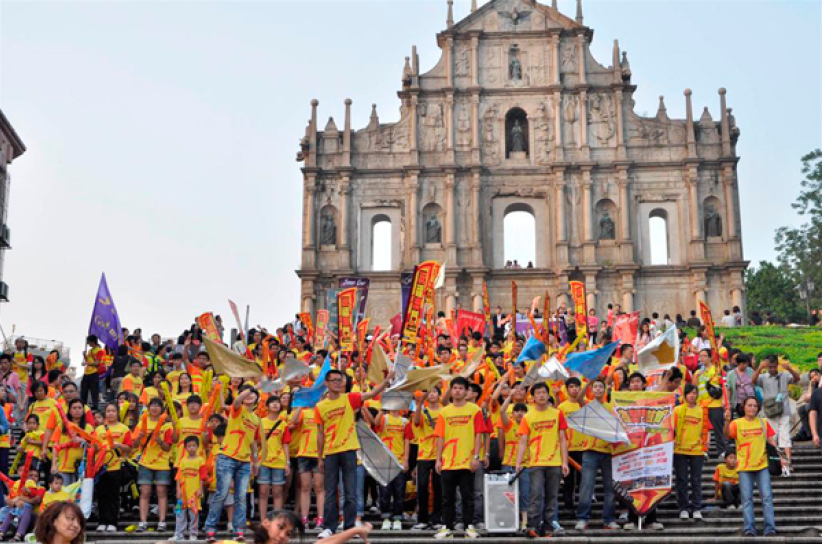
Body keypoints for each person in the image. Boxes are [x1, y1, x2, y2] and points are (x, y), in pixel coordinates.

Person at [315, 368, 391, 539]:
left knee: (350, 493)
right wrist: (320, 457)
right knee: (330, 492)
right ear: (326, 383)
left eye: (339, 380)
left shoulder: (350, 398)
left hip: (349, 450)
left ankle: (349, 527)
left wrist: (385, 383)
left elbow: (370, 394)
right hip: (330, 452)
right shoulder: (320, 407)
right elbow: (320, 433)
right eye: (333, 380)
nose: (336, 383)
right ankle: (329, 527)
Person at [204, 385, 261, 543]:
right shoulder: (237, 409)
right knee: (221, 494)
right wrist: (253, 387)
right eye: (246, 392)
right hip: (227, 457)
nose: (250, 395)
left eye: (253, 394)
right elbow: (237, 401)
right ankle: (210, 528)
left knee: (241, 497)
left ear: (257, 398)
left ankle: (239, 530)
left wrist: (255, 461)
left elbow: (254, 442)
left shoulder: (256, 419)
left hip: (244, 461)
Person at [434, 377, 484, 540]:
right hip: (448, 462)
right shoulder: (444, 412)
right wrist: (438, 459)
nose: (457, 391)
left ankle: (469, 526)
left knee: (467, 496)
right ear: (451, 390)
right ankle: (447, 527)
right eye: (454, 388)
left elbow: (478, 434)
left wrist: (476, 456)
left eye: (461, 388)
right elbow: (440, 437)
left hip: (467, 461)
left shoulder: (474, 410)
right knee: (447, 497)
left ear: (466, 391)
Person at [516, 382, 569, 538]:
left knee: (552, 496)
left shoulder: (557, 414)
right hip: (536, 462)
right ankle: (532, 526)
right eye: (537, 393)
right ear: (533, 397)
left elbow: (563, 439)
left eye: (543, 392)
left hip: (554, 462)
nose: (541, 395)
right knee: (536, 495)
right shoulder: (528, 417)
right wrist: (518, 462)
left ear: (548, 395)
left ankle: (547, 527)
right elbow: (523, 441)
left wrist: (564, 462)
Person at [724, 396, 777, 537]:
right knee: (746, 499)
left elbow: (771, 441)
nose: (752, 408)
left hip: (762, 465)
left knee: (767, 498)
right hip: (745, 467)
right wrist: (727, 421)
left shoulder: (763, 422)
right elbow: (727, 434)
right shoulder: (737, 423)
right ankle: (749, 528)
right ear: (744, 407)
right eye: (749, 405)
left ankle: (770, 528)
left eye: (755, 405)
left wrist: (780, 458)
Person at [575, 379, 618, 531]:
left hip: (608, 452)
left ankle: (609, 519)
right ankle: (582, 518)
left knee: (609, 488)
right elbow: (579, 398)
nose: (598, 389)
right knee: (586, 486)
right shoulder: (588, 405)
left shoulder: (611, 408)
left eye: (601, 387)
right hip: (590, 451)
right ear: (592, 390)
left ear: (605, 390)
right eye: (596, 387)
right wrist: (588, 382)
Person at [133, 397, 174, 532]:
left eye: (158, 405)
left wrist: (160, 441)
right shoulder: (141, 423)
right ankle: (143, 521)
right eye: (152, 405)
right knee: (145, 492)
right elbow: (134, 445)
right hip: (145, 462)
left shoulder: (167, 426)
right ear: (148, 408)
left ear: (162, 409)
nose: (155, 408)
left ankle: (162, 521)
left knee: (161, 492)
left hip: (162, 463)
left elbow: (168, 447)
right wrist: (139, 437)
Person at [752, 355, 800, 472]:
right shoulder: (763, 377)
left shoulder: (784, 375)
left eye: (774, 367)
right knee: (772, 438)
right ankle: (776, 461)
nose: (772, 369)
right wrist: (759, 368)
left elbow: (797, 378)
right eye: (770, 367)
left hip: (783, 410)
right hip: (770, 412)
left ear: (777, 365)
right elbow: (752, 381)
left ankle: (788, 462)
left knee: (785, 437)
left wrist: (789, 369)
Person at [93, 401, 133, 532]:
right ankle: (102, 521)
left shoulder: (124, 429)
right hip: (100, 467)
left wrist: (119, 445)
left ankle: (112, 522)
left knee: (113, 496)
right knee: (101, 495)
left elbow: (129, 448)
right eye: (108, 411)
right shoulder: (98, 429)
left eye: (113, 411)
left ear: (117, 413)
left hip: (115, 467)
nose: (110, 413)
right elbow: (93, 447)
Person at [673, 384, 710, 520]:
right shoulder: (677, 410)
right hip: (679, 449)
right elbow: (671, 429)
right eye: (690, 393)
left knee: (696, 480)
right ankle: (683, 507)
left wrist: (705, 448)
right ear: (685, 394)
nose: (692, 395)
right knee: (681, 480)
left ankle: (696, 507)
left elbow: (706, 430)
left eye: (695, 393)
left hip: (697, 450)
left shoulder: (702, 411)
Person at [375, 408, 412, 530]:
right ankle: (385, 517)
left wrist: (406, 460)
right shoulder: (384, 418)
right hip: (384, 461)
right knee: (384, 492)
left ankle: (397, 518)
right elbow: (375, 424)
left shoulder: (405, 421)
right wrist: (382, 409)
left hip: (399, 461)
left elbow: (407, 441)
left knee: (399, 492)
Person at [258, 395, 291, 520]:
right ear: (266, 407)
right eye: (272, 403)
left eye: (277, 402)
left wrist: (287, 463)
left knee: (278, 493)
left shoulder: (283, 424)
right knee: (263, 492)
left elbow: (285, 444)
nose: (275, 404)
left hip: (279, 461)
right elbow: (255, 443)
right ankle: (263, 520)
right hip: (263, 461)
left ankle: (277, 520)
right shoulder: (260, 422)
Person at [175, 436, 207, 542]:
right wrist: (178, 490)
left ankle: (193, 533)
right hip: (182, 492)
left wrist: (200, 489)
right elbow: (178, 477)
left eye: (194, 446)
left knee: (194, 513)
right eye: (189, 446)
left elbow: (203, 476)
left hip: (194, 492)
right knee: (179, 512)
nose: (192, 448)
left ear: (197, 447)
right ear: (185, 448)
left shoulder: (200, 460)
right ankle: (179, 534)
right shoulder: (182, 461)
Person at [81, 335, 104, 411]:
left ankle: (95, 406)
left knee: (94, 390)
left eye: (88, 342)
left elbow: (97, 363)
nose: (88, 343)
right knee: (84, 390)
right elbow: (88, 359)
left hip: (94, 373)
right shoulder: (90, 350)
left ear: (92, 341)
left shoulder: (99, 350)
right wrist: (84, 356)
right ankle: (82, 404)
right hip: (86, 372)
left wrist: (87, 364)